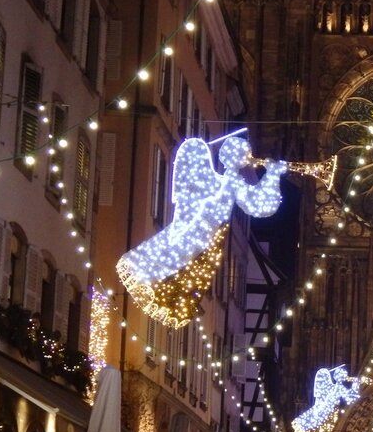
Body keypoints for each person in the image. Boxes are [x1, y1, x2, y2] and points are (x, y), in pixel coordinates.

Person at [117, 136, 287, 328]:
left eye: (246, 153)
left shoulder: (231, 181)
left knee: (178, 271)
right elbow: (259, 205)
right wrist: (273, 175)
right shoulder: (228, 181)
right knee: (176, 267)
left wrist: (273, 175)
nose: (248, 158)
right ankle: (163, 290)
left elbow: (259, 206)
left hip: (207, 237)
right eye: (244, 153)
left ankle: (166, 291)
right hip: (200, 232)